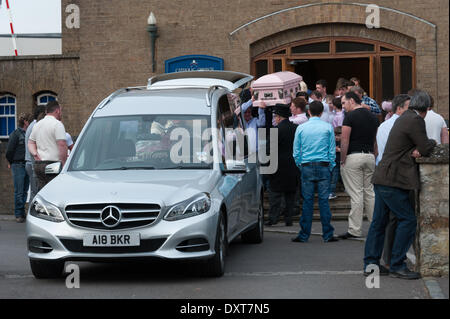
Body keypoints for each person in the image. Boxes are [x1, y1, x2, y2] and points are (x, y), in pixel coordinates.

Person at [364, 90, 436, 279]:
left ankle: (371, 263)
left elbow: (411, 145)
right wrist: (431, 143)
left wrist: (416, 148)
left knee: (378, 223)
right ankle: (397, 264)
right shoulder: (415, 120)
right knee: (408, 219)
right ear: (426, 108)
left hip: (383, 176)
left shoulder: (404, 118)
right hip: (394, 180)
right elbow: (425, 146)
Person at [291, 101, 338, 243]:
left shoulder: (301, 128)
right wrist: (330, 166)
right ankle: (327, 234)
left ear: (308, 111)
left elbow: (296, 151)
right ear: (322, 112)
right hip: (323, 165)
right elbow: (331, 150)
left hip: (306, 165)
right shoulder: (328, 127)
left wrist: (301, 165)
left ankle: (304, 234)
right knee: (324, 201)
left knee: (307, 201)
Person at [374, 94, 411, 269]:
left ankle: (375, 261)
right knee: (404, 219)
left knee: (381, 221)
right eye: (408, 108)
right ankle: (395, 261)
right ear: (399, 108)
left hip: (381, 173)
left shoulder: (383, 125)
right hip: (394, 177)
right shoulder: (400, 125)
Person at [339, 91, 379, 239]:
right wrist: (373, 156)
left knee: (356, 194)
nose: (343, 106)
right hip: (369, 156)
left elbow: (344, 140)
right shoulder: (373, 118)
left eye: (344, 102)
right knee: (370, 192)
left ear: (351, 101)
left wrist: (342, 159)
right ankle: (376, 226)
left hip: (354, 156)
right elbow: (375, 141)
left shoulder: (350, 117)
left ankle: (354, 230)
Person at [265, 104, 299, 227]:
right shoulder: (296, 128)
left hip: (277, 166)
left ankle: (273, 218)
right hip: (293, 166)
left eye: (275, 116)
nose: (275, 119)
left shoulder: (276, 130)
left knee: (275, 194)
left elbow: (268, 150)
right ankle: (288, 219)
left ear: (279, 117)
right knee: (290, 194)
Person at [28, 101, 68, 192]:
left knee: (43, 194)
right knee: (55, 192)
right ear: (57, 111)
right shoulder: (57, 124)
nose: (61, 113)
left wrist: (35, 154)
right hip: (53, 164)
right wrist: (64, 163)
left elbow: (30, 143)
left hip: (39, 165)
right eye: (61, 111)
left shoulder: (37, 125)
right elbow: (62, 144)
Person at [5, 113, 31, 223]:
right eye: (29, 121)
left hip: (26, 164)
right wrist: (11, 162)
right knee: (19, 191)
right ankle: (18, 214)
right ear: (25, 122)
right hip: (18, 164)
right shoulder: (15, 134)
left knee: (25, 191)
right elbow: (9, 151)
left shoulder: (28, 134)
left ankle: (22, 213)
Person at [25, 105, 46, 204]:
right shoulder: (35, 126)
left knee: (35, 191)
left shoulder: (32, 125)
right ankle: (32, 216)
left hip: (31, 162)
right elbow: (34, 147)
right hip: (32, 163)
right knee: (35, 192)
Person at [329, 126, 342, 200]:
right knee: (334, 178)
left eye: (339, 135)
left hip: (342, 162)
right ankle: (331, 192)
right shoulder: (332, 141)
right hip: (335, 162)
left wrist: (339, 149)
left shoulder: (343, 141)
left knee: (344, 177)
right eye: (335, 135)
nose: (336, 137)